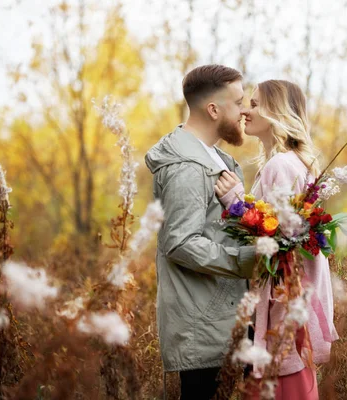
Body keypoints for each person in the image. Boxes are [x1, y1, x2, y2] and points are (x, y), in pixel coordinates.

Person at [216, 80, 339, 400]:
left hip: (283, 305)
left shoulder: (280, 165)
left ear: (278, 112)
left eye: (255, 105)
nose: (245, 110)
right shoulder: (294, 161)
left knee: (281, 385)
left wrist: (234, 204)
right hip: (291, 302)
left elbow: (281, 237)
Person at [145, 64, 257, 400]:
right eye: (239, 102)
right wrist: (243, 261)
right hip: (204, 324)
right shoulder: (187, 167)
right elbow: (180, 242)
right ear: (213, 109)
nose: (245, 110)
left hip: (226, 317)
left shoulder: (215, 159)